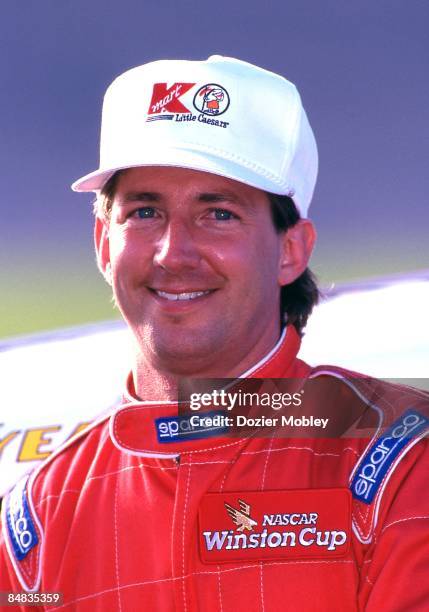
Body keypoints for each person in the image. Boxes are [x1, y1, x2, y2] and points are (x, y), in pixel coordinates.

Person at [0, 56, 428, 611]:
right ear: (104, 243)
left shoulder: (400, 464)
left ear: (291, 250)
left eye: (219, 214)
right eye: (145, 211)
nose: (173, 254)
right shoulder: (38, 518)